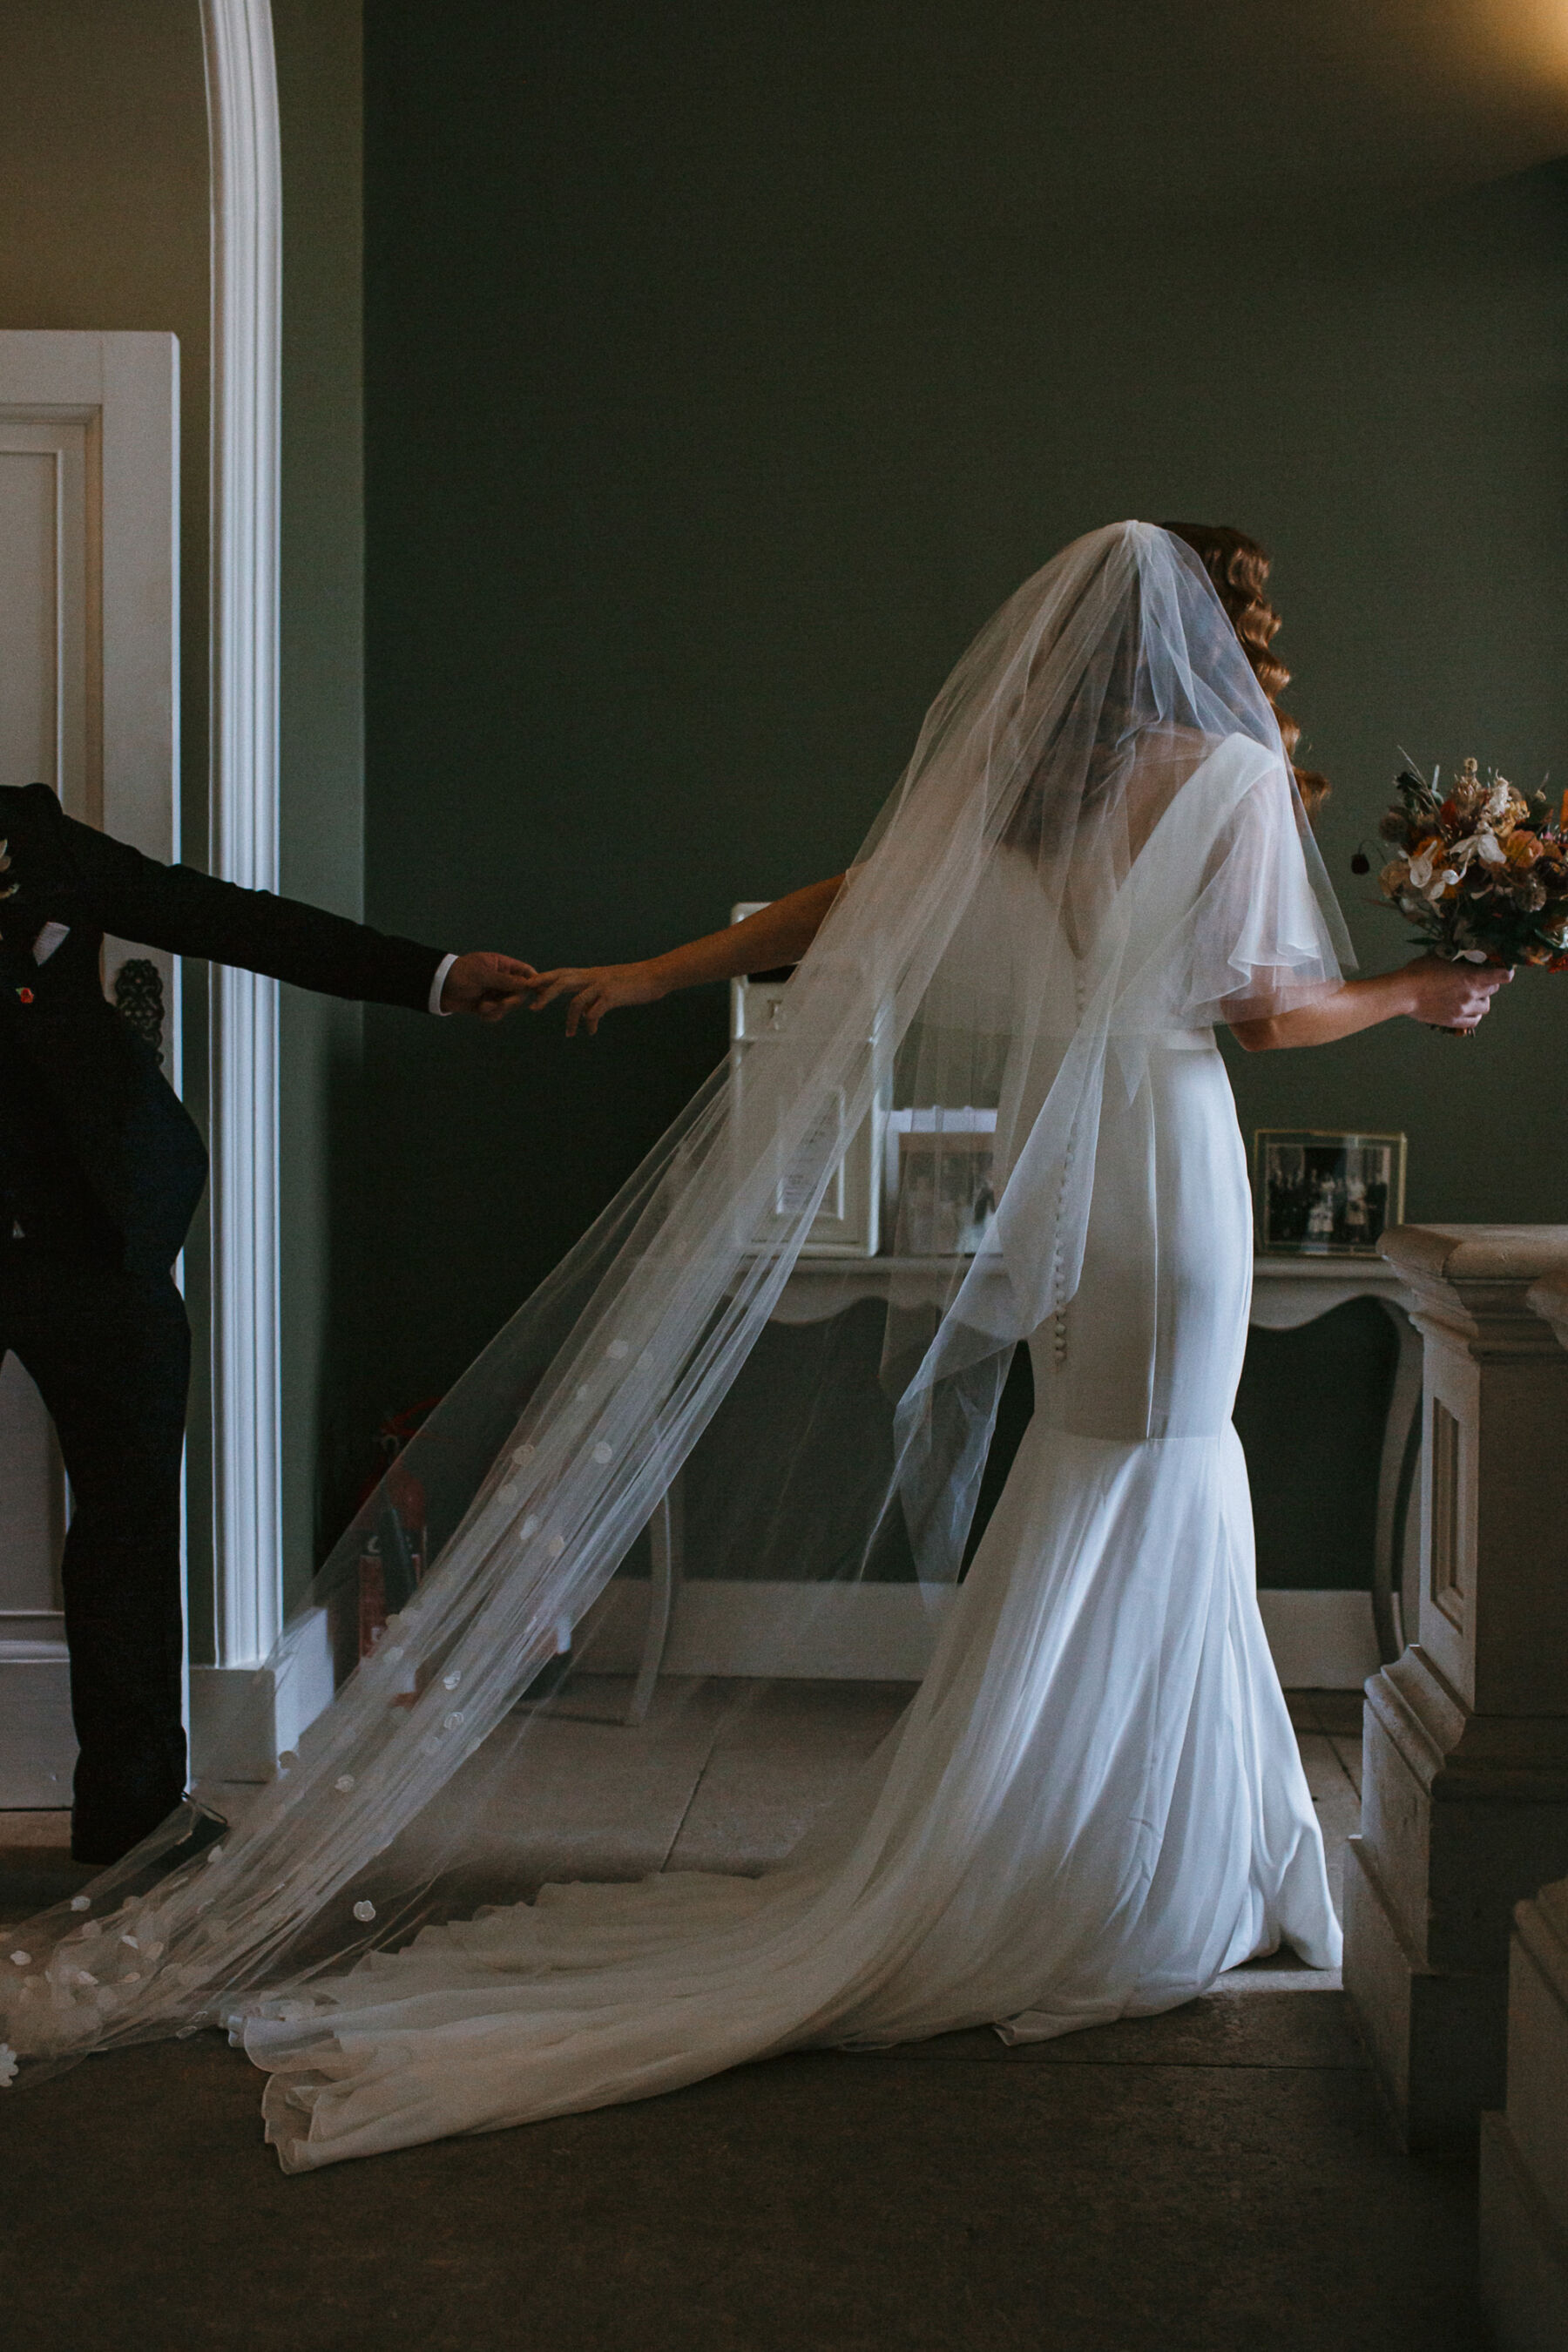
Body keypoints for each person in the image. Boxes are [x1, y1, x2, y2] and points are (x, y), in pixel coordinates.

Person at [0, 524, 1507, 2167]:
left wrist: (658, 972)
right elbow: (1273, 1013)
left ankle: (1118, 1828)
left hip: (1079, 1199)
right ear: (1217, 643)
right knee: (1158, 1474)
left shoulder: (1031, 794)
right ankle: (1109, 1855)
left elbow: (848, 907)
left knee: (1104, 1474)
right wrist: (1426, 988)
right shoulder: (1224, 775)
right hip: (1169, 1170)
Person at [0, 779, 536, 1864]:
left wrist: (429, 975)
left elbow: (219, 914)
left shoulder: (29, 830)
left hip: (98, 1237)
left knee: (130, 1529)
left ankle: (135, 1824)